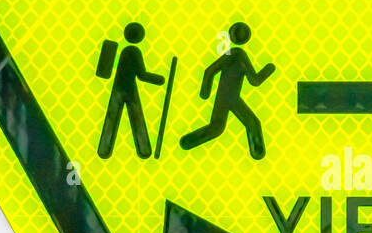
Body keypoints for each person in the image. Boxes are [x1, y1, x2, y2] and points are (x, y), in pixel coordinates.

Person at [180, 21, 275, 160]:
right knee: (251, 123)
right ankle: (257, 151)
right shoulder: (239, 55)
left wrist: (205, 92)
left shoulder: (232, 55)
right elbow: (254, 81)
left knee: (218, 127)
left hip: (226, 97)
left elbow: (209, 71)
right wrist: (269, 69)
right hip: (231, 98)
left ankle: (187, 142)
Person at [96, 22, 166, 159]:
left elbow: (104, 71)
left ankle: (105, 150)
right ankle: (143, 149)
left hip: (119, 88)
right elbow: (142, 75)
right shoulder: (133, 51)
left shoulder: (127, 51)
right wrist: (159, 79)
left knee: (115, 116)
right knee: (135, 117)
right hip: (128, 90)